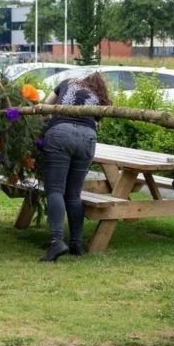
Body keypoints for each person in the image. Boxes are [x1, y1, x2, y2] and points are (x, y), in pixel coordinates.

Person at [40, 72, 111, 262]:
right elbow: (97, 124)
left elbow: (46, 106)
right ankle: (76, 244)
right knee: (73, 194)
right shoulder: (99, 97)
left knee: (55, 190)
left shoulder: (67, 82)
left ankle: (56, 241)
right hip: (87, 137)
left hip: (60, 133)